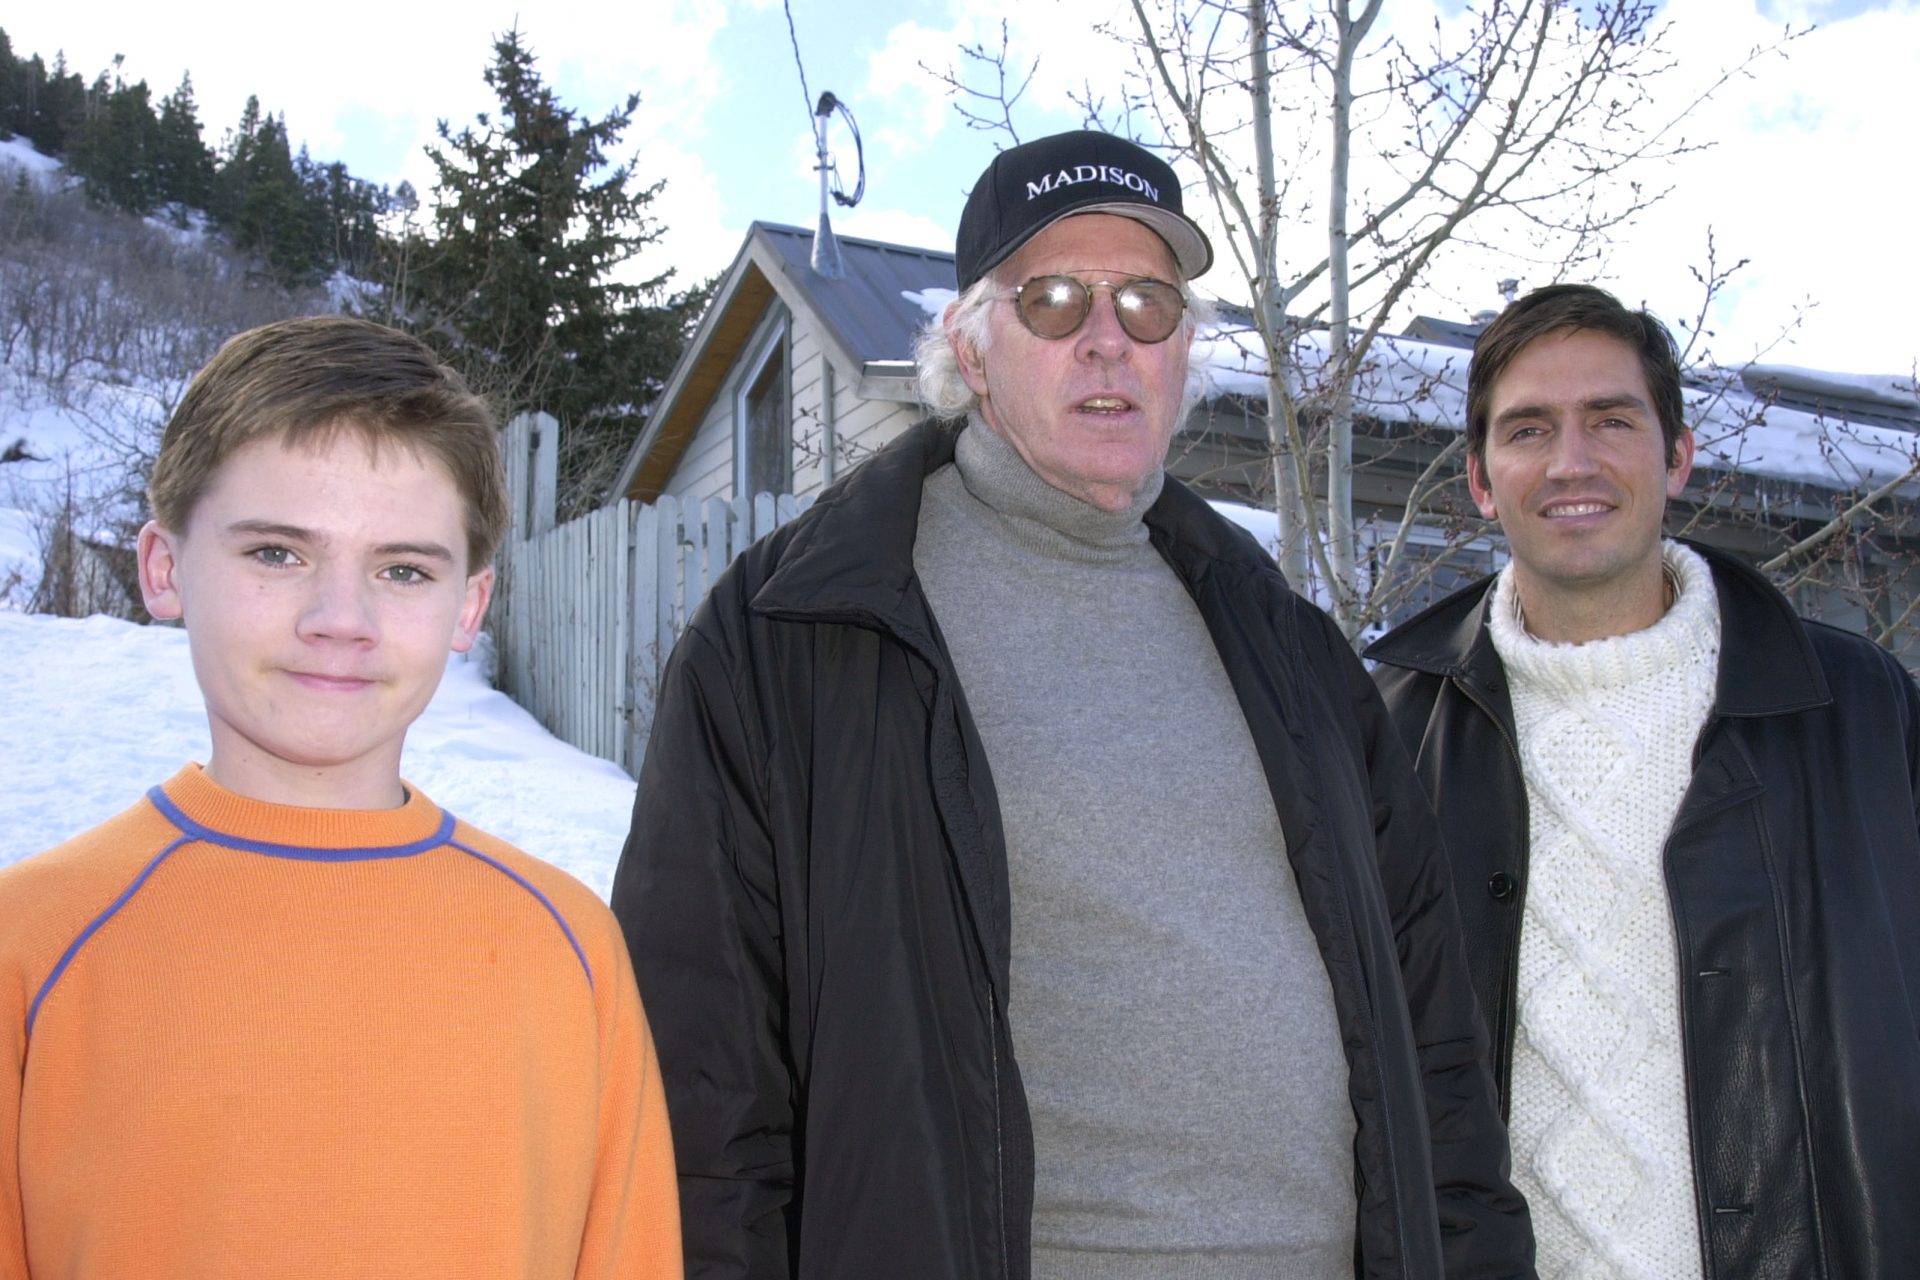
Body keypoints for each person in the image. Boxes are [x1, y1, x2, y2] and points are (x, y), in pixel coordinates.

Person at [613, 130, 1531, 1280]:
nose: (1109, 338)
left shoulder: (1288, 645)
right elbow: (698, 1085)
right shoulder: (797, 633)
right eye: (1052, 299)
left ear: (1184, 350)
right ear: (969, 345)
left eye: (1149, 301)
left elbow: (1430, 1038)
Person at [0, 316, 682, 1279]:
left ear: (469, 609)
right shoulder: (31, 946)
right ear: (164, 568)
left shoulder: (568, 947)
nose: (340, 621)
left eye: (402, 570)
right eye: (277, 553)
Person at [1368, 283, 1920, 1278]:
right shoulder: (1386, 737)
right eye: (1529, 428)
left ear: (1677, 456)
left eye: (1611, 420)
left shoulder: (1861, 713)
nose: (1571, 461)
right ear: (1482, 480)